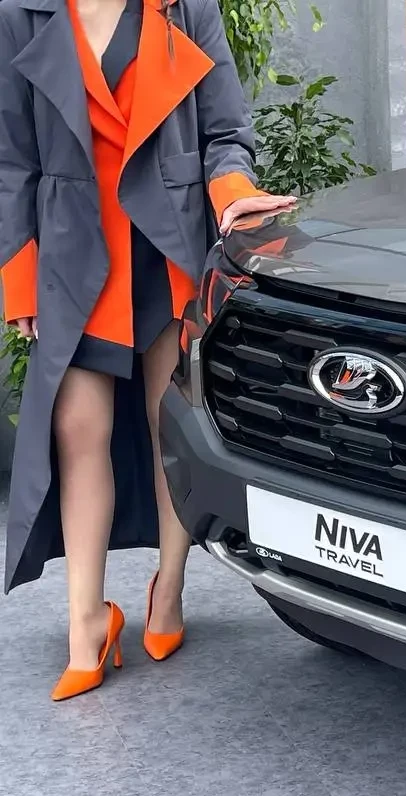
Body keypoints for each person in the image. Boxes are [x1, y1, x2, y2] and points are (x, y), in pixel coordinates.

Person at [0, 0, 295, 700]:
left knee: (171, 430)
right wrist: (18, 280)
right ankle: (87, 624)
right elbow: (10, 159)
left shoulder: (186, 8)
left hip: (168, 244)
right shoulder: (20, 13)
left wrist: (233, 192)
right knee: (76, 429)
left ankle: (169, 589)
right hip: (75, 251)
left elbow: (226, 131)